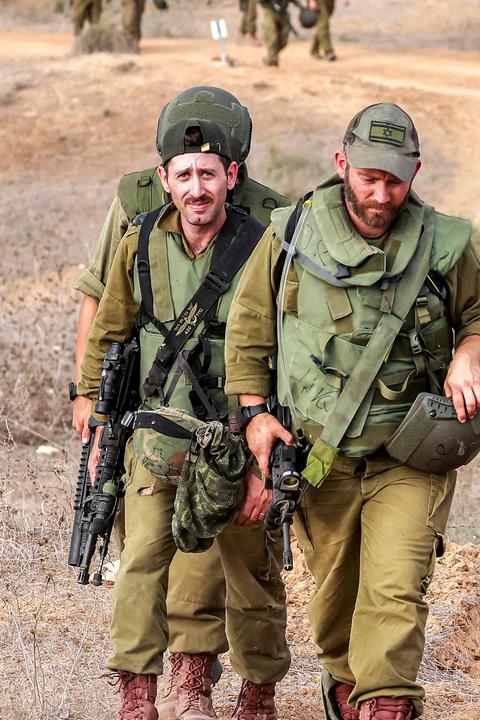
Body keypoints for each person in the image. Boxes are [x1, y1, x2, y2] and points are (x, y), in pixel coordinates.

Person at [226, 102, 480, 720]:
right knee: (336, 602)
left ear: (416, 173)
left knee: (396, 590)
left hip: (411, 451)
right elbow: (248, 332)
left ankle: (388, 704)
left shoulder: (442, 242)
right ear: (341, 164)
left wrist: (468, 356)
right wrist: (254, 414)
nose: (381, 196)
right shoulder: (292, 232)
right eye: (368, 179)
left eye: (395, 182)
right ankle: (348, 687)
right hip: (320, 459)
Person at [71, 85, 290, 720]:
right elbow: (110, 329)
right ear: (165, 178)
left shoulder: (263, 242)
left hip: (240, 433)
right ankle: (137, 697)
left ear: (232, 176)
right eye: (184, 174)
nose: (197, 188)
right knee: (140, 561)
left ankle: (258, 694)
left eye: (209, 174)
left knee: (253, 573)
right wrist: (95, 418)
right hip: (156, 434)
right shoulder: (138, 241)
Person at [259, 0, 289, 66]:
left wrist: (302, 7)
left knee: (283, 39)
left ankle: (271, 57)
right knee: (272, 37)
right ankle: (271, 60)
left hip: (282, 13)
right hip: (269, 11)